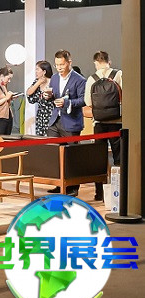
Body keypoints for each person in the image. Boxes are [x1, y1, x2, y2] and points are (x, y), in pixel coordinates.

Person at [46, 50, 86, 195]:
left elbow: (83, 100)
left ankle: (73, 187)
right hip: (55, 121)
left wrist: (67, 102)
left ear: (69, 62)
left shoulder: (79, 80)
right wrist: (48, 96)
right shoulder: (54, 78)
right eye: (57, 65)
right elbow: (53, 96)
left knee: (71, 156)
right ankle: (59, 184)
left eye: (62, 64)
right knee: (54, 155)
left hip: (71, 122)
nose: (59, 68)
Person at [84, 50, 122, 201]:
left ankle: (99, 193)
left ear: (96, 63)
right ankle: (120, 191)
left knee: (99, 158)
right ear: (109, 61)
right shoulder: (118, 74)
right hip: (117, 122)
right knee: (119, 157)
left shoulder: (92, 78)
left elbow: (88, 102)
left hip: (99, 123)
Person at [26, 60, 55, 136]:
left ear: (44, 71)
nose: (36, 72)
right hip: (40, 115)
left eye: (37, 69)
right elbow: (29, 92)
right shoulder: (37, 81)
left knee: (50, 137)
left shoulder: (53, 81)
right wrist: (38, 83)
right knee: (40, 137)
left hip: (51, 115)